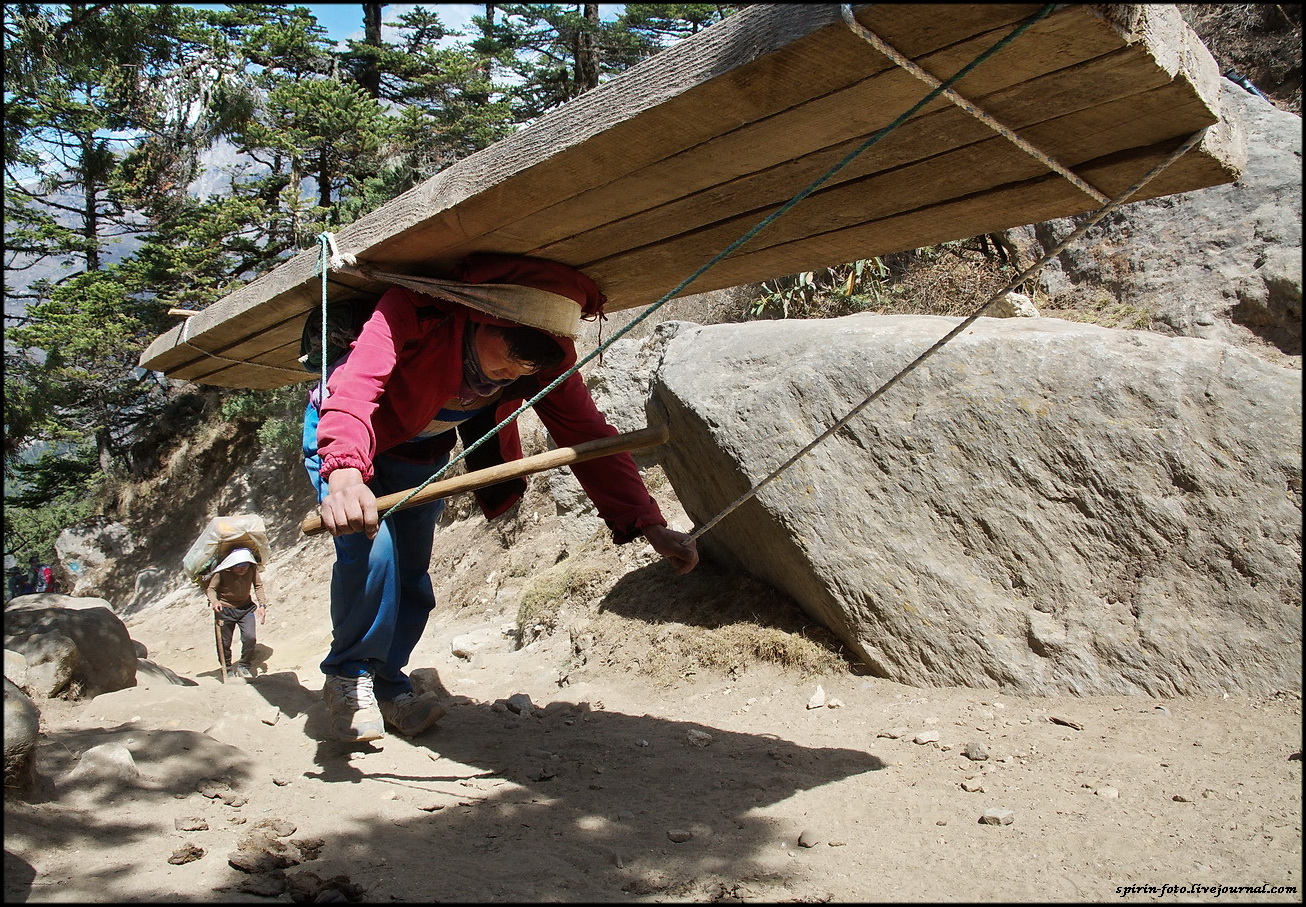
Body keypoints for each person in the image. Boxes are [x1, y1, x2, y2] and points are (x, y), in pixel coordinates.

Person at [304, 252, 699, 743]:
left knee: (409, 575)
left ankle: (387, 686)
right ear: (479, 317)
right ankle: (348, 677)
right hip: (347, 438)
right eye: (507, 356)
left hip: (421, 458)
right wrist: (342, 473)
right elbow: (356, 386)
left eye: (523, 367)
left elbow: (588, 437)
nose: (511, 374)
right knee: (373, 553)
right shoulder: (413, 309)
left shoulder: (544, 364)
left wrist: (648, 523)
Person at [205, 547, 268, 680]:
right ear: (231, 566)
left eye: (244, 566)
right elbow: (211, 589)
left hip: (246, 609)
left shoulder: (251, 568)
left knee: (250, 637)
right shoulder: (222, 572)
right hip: (224, 610)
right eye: (239, 567)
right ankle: (227, 668)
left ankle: (244, 666)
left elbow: (258, 585)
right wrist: (215, 601)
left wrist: (262, 604)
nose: (242, 569)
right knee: (224, 642)